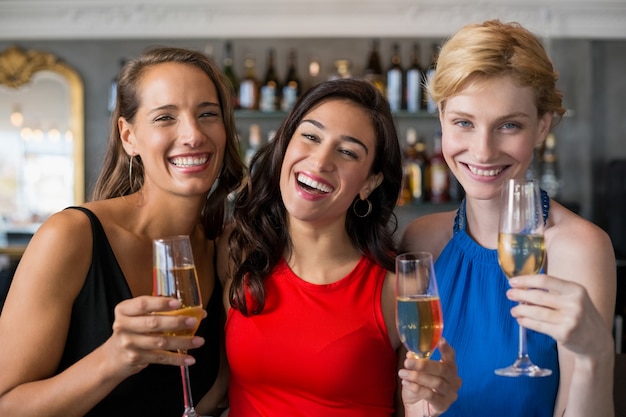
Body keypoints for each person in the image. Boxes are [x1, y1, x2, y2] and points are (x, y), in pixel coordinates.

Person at [0, 46, 244, 417]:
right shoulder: (70, 235)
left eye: (207, 114)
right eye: (165, 117)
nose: (193, 134)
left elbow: (208, 398)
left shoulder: (224, 248)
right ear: (129, 136)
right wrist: (113, 359)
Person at [400, 20, 616, 417]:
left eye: (509, 125)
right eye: (463, 122)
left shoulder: (579, 249)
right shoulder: (421, 242)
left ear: (542, 127)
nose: (482, 151)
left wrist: (596, 357)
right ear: (441, 119)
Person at [219, 78, 461, 417]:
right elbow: (209, 392)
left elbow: (415, 405)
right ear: (285, 144)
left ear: (369, 182)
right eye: (311, 136)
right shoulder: (237, 251)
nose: (319, 162)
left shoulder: (398, 288)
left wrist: (428, 406)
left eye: (347, 152)